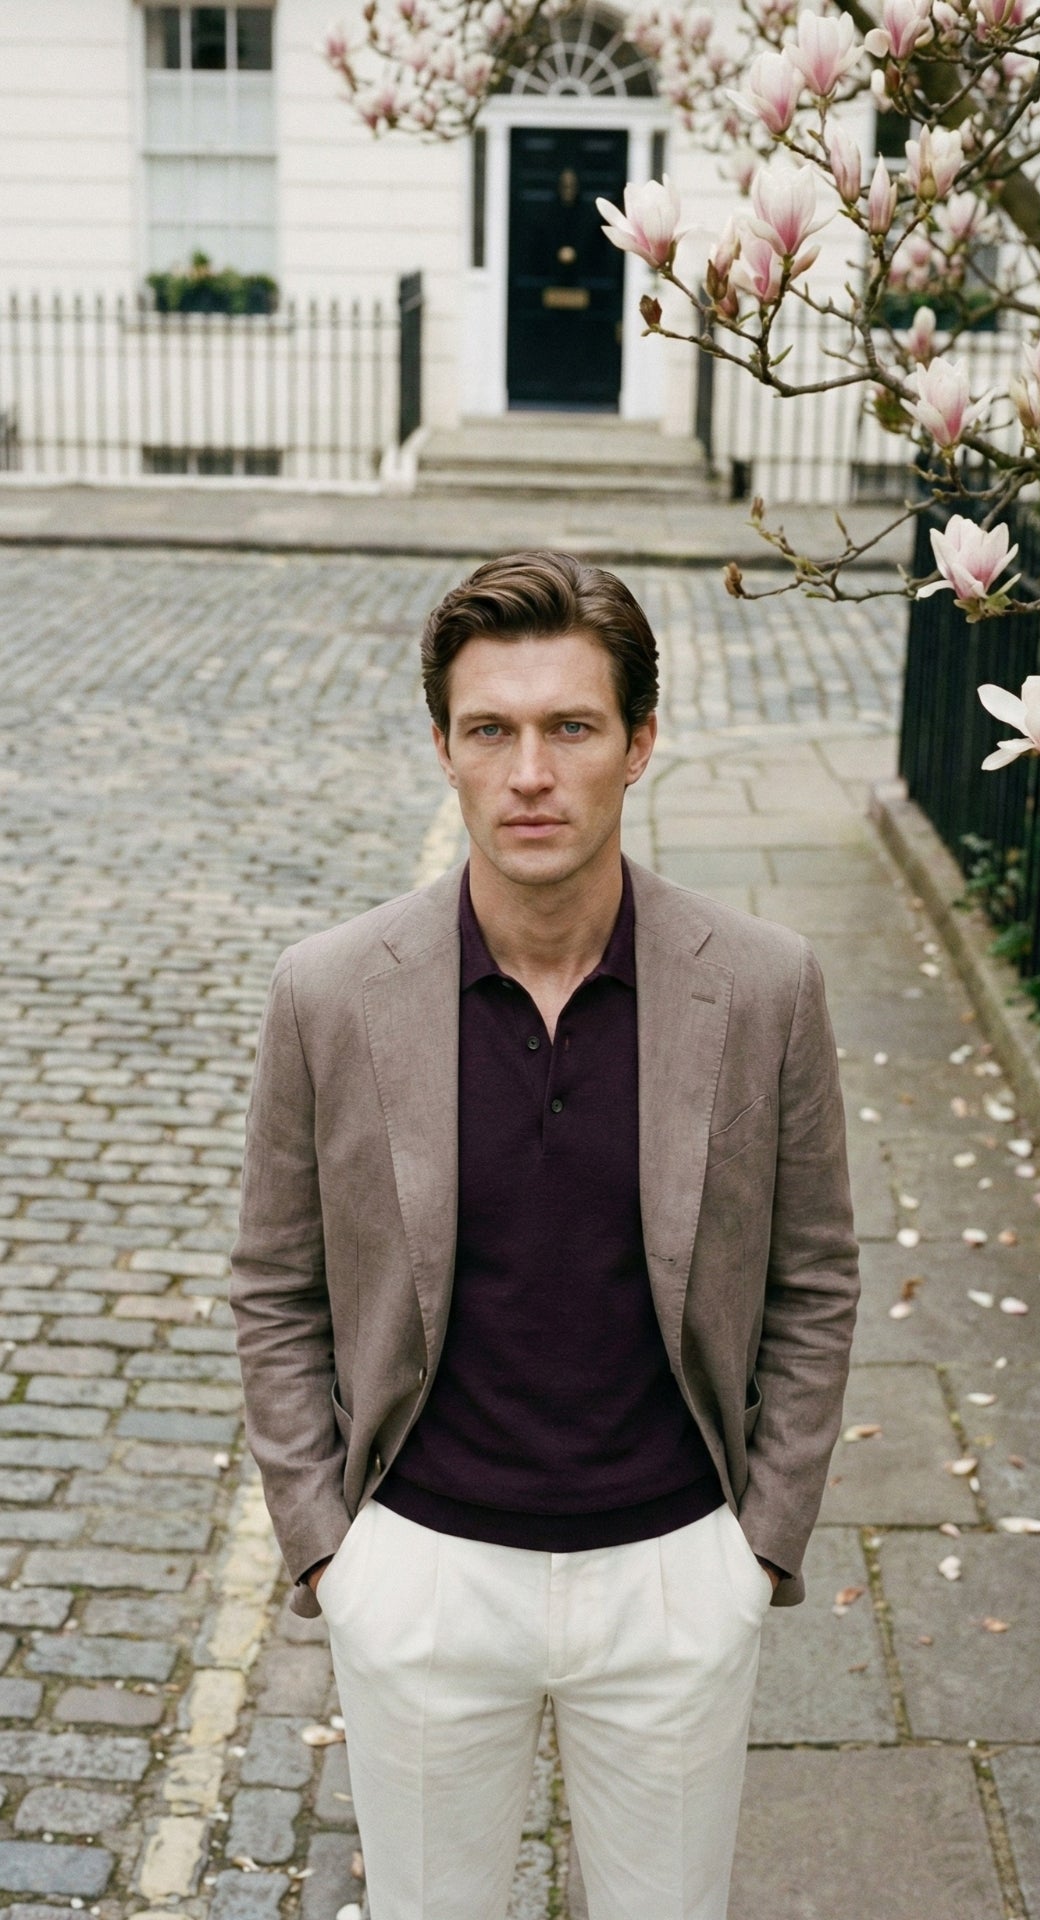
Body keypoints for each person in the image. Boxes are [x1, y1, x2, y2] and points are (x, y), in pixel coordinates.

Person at [229, 549, 860, 1920]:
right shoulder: (328, 993)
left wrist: (757, 1548)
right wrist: (332, 1552)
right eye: (490, 731)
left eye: (571, 727)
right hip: (422, 1574)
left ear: (640, 744)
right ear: (444, 751)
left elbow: (814, 1277)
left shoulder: (764, 986)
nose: (530, 773)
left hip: (676, 1573)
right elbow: (276, 1285)